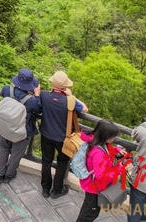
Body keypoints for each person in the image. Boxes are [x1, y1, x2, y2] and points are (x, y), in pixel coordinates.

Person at [39, 70, 89, 199]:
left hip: (46, 134)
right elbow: (85, 109)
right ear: (65, 86)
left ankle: (45, 188)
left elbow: (38, 98)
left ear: (53, 84)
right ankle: (57, 190)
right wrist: (71, 96)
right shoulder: (69, 101)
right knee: (62, 163)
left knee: (46, 161)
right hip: (64, 138)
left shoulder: (44, 95)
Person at [75, 120, 127, 222]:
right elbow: (102, 176)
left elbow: (105, 148)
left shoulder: (94, 140)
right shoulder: (98, 153)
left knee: (88, 210)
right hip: (94, 188)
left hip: (91, 183)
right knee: (88, 214)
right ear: (105, 136)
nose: (114, 139)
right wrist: (121, 169)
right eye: (112, 137)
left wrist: (116, 149)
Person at [0, 68, 42, 184]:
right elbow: (38, 109)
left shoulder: (7, 90)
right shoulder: (31, 101)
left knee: (4, 149)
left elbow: (4, 94)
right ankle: (9, 175)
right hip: (21, 132)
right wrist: (37, 94)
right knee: (16, 154)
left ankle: (0, 173)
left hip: (5, 127)